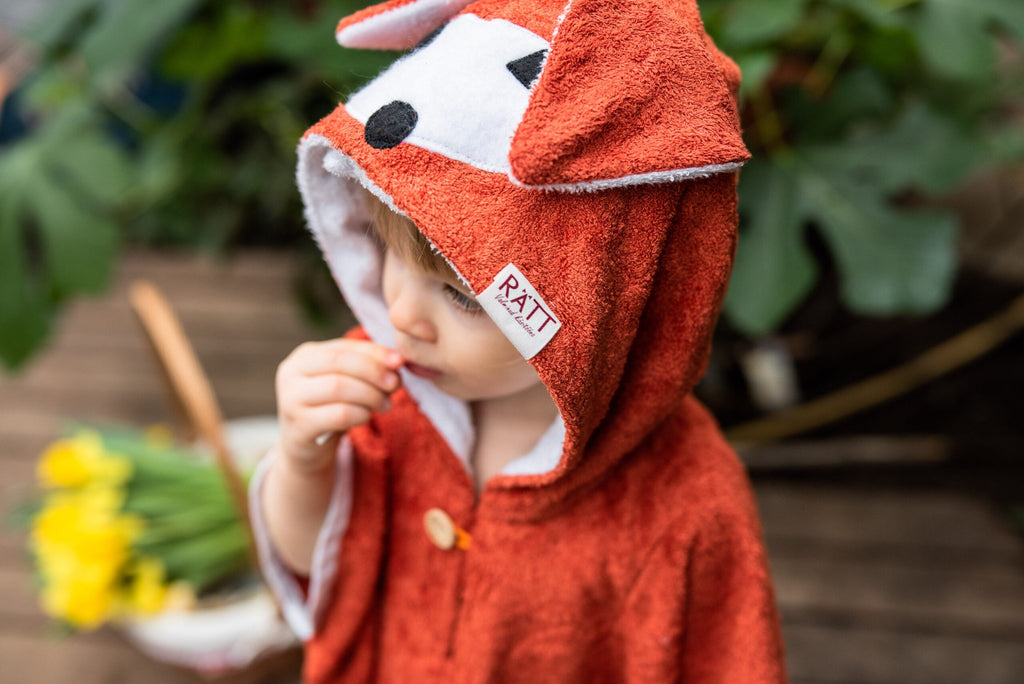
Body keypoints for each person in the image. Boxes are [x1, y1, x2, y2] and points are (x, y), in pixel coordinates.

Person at [250, 0, 787, 681]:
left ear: (604, 314)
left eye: (461, 295)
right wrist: (304, 461)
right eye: (388, 252)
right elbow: (318, 565)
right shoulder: (386, 397)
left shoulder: (685, 505)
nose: (401, 314)